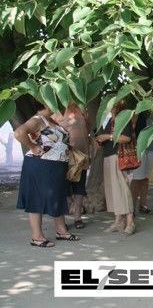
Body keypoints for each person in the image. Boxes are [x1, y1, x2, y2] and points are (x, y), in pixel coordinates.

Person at [15, 103, 80, 247]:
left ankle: (61, 231)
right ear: (46, 103)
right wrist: (33, 146)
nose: (62, 105)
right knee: (36, 198)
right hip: (40, 164)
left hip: (55, 166)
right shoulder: (37, 119)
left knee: (58, 196)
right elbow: (19, 133)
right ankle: (37, 237)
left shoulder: (50, 120)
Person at [96, 100, 136, 235]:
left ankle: (130, 222)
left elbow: (127, 138)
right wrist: (101, 139)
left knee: (123, 189)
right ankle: (118, 221)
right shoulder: (108, 119)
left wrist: (108, 136)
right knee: (113, 190)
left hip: (119, 156)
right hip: (108, 155)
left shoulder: (123, 118)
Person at [52, 102, 91, 229]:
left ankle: (77, 217)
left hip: (81, 157)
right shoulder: (58, 110)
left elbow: (88, 128)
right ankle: (61, 221)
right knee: (63, 189)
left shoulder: (82, 109)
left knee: (79, 188)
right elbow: (52, 133)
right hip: (65, 157)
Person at [130, 106, 153, 215]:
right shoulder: (139, 113)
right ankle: (131, 208)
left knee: (146, 178)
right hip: (140, 148)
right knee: (137, 178)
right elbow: (133, 129)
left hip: (152, 147)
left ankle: (143, 205)